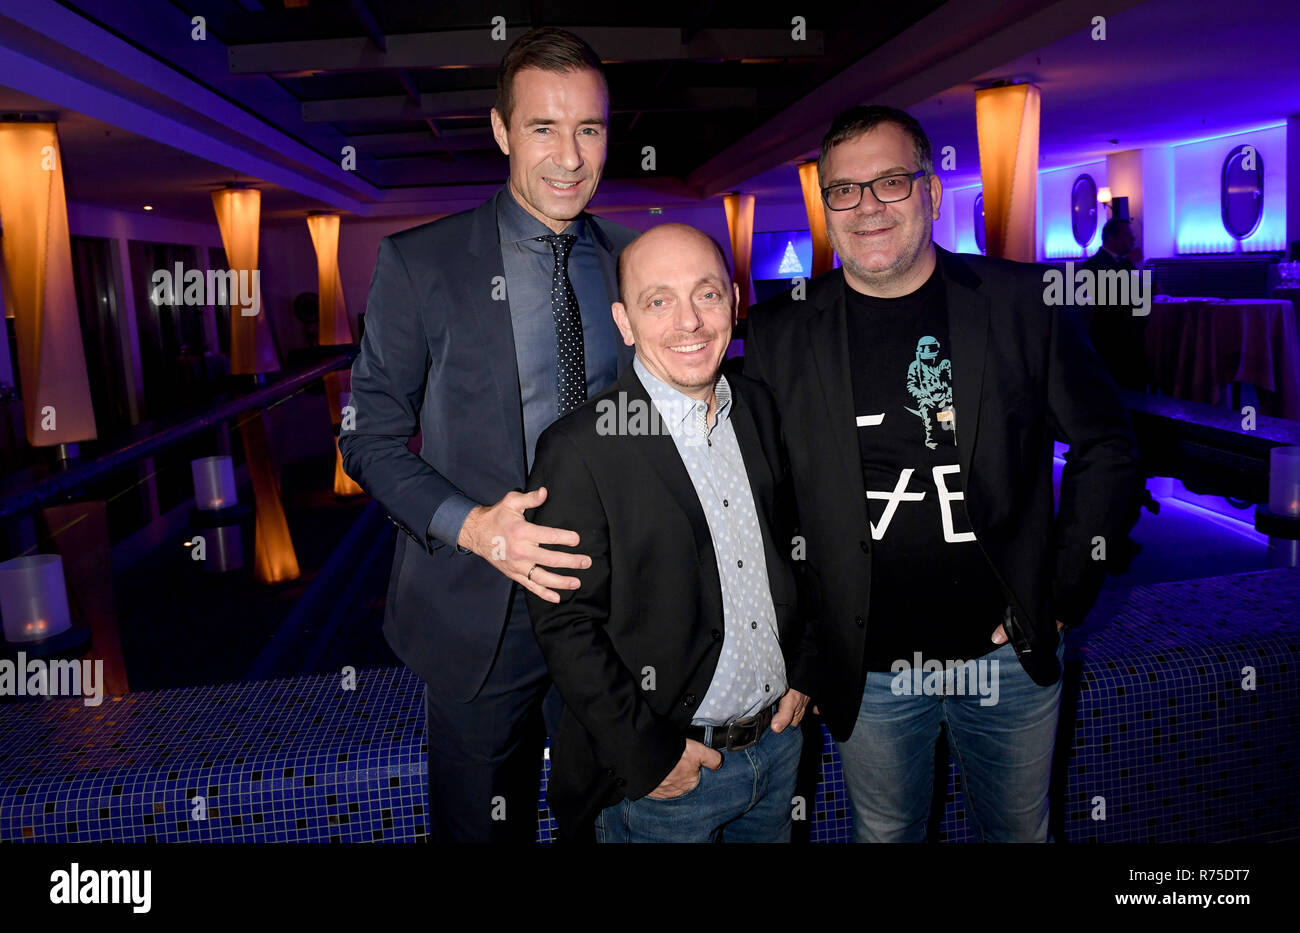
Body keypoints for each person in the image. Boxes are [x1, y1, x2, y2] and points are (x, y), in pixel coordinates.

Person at [744, 105, 1142, 842]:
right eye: (844, 190)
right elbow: (771, 502)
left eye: (890, 182)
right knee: (887, 834)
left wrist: (1059, 592)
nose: (867, 206)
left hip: (1006, 655)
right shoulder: (779, 333)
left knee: (1018, 833)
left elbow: (1108, 444)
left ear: (931, 192)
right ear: (825, 205)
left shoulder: (1024, 302)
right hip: (868, 665)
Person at [339, 28, 638, 842]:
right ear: (503, 131)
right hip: (480, 612)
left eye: (590, 129)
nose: (570, 157)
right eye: (544, 128)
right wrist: (473, 527)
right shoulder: (420, 264)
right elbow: (365, 437)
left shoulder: (629, 265)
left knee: (603, 820)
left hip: (603, 606)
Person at [524, 224, 816, 842]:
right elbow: (565, 625)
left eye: (706, 295)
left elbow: (800, 545)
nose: (689, 322)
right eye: (658, 301)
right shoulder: (581, 448)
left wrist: (807, 668)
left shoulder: (761, 408)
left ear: (734, 302)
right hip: (670, 782)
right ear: (624, 322)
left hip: (778, 745)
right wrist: (648, 755)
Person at [1080, 218, 1150, 391]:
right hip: (1111, 338)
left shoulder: (1124, 263)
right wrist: (1128, 264)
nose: (1133, 240)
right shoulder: (1093, 265)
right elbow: (1110, 291)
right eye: (1128, 235)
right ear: (1112, 238)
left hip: (1131, 334)